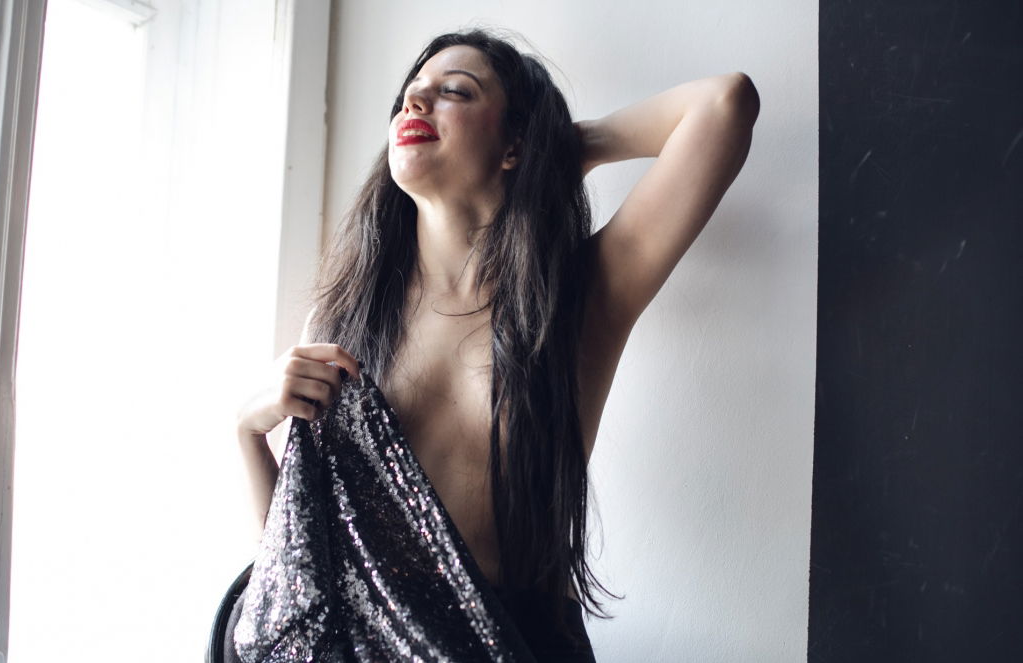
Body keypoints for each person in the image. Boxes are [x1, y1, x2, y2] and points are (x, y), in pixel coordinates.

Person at [235, 28, 759, 659]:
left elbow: (724, 103)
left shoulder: (580, 298)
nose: (415, 103)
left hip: (514, 643)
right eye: (410, 93)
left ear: (514, 143)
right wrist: (247, 434)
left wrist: (558, 148)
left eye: (455, 91)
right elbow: (293, 568)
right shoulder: (344, 314)